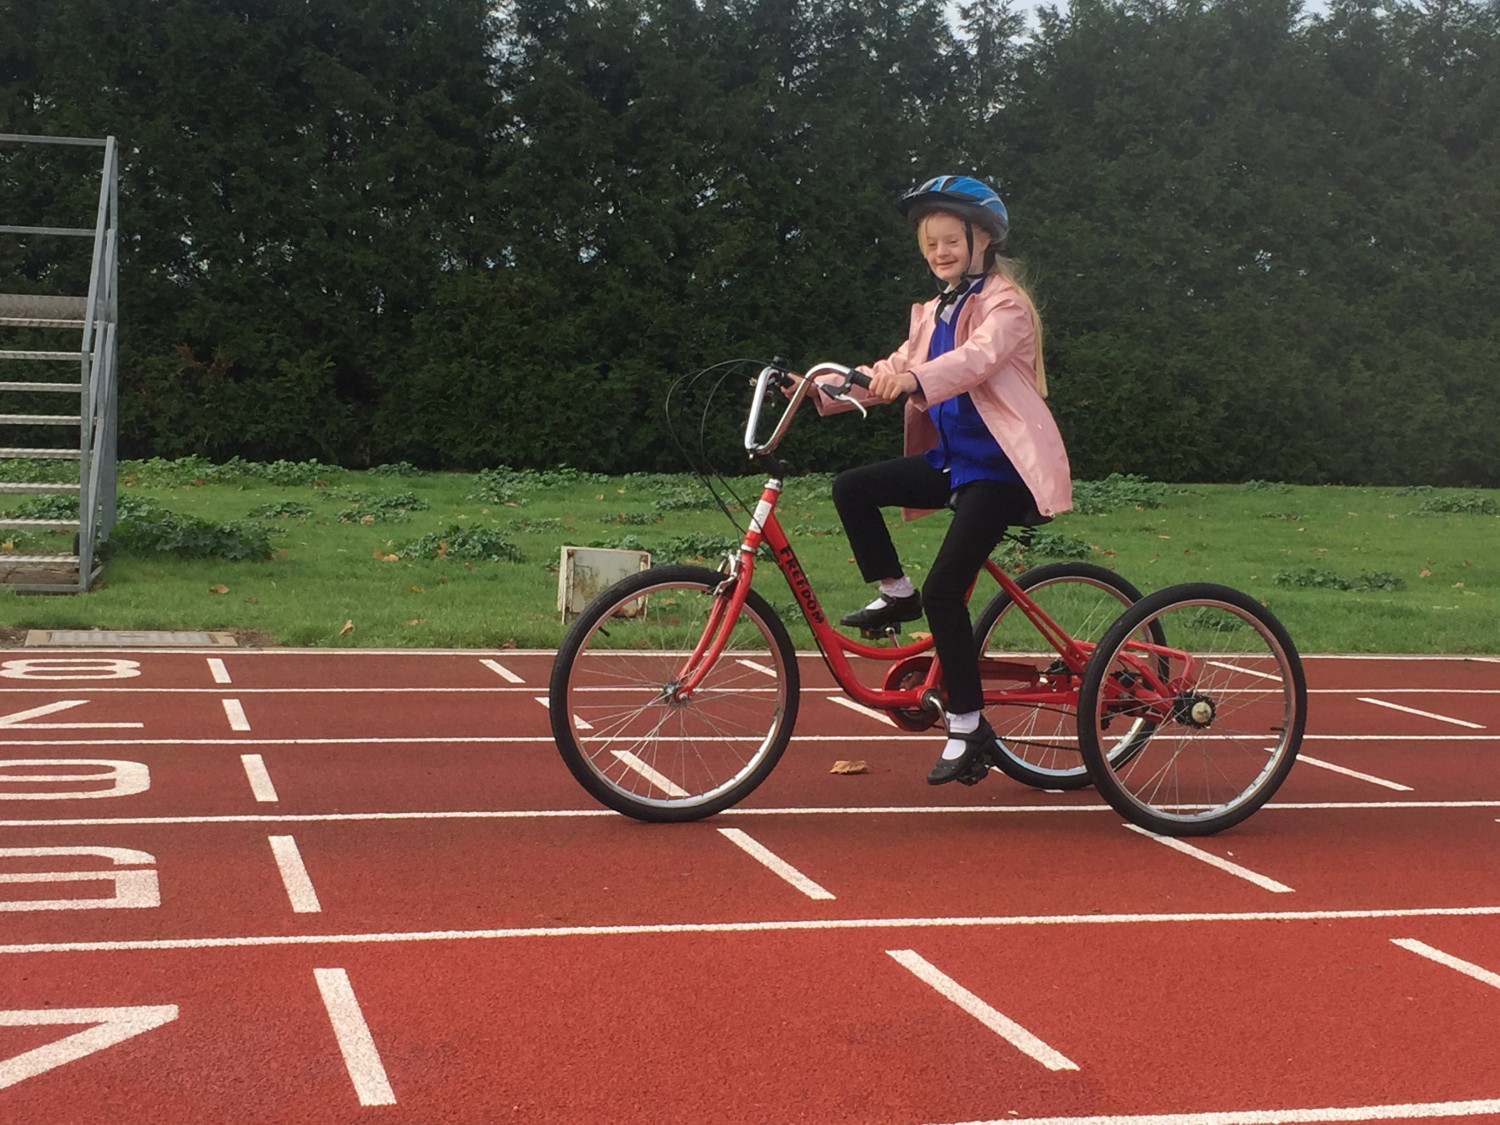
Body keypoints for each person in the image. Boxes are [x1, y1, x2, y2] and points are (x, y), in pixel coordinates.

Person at [811, 174, 1073, 785]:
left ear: (982, 239)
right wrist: (818, 388)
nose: (939, 253)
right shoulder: (933, 312)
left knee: (946, 591)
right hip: (954, 463)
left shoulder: (1005, 305)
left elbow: (974, 360)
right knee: (854, 486)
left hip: (1002, 471)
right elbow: (895, 368)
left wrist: (914, 382)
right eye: (930, 245)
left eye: (950, 240)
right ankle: (893, 591)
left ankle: (967, 725)